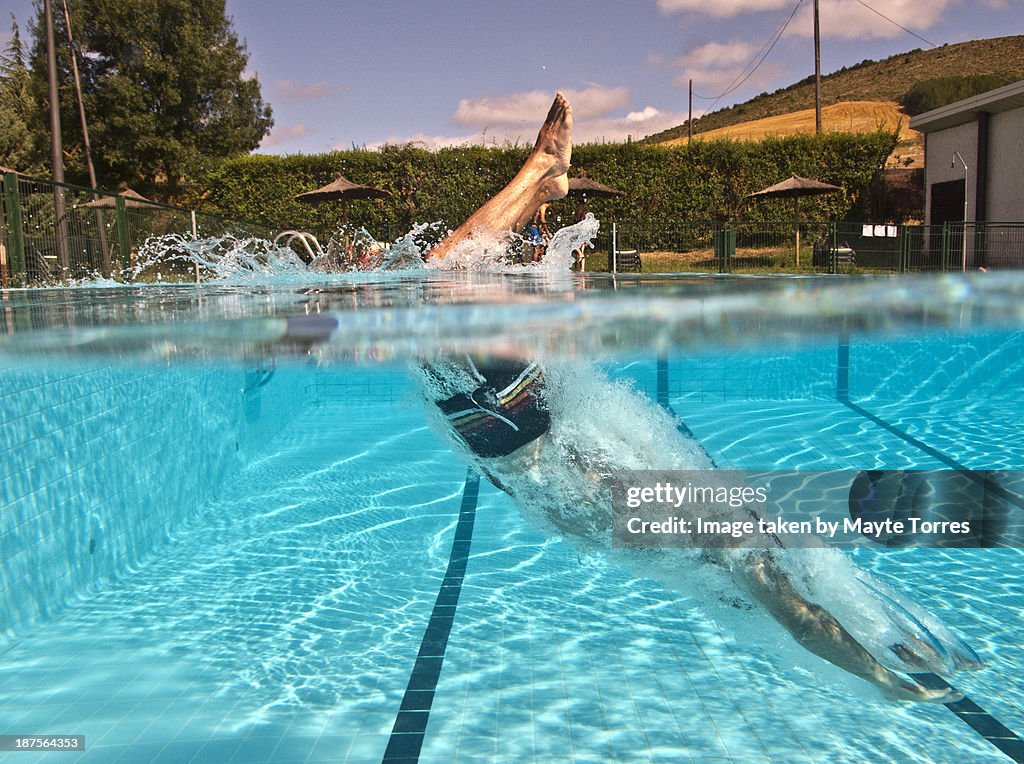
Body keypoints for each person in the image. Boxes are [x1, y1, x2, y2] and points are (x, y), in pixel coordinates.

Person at [419, 93, 977, 703]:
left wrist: (890, 682)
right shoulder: (734, 549)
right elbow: (809, 618)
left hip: (525, 448)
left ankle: (540, 179)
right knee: (438, 291)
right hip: (522, 449)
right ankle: (540, 180)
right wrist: (894, 670)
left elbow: (803, 621)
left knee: (440, 289)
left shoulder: (744, 558)